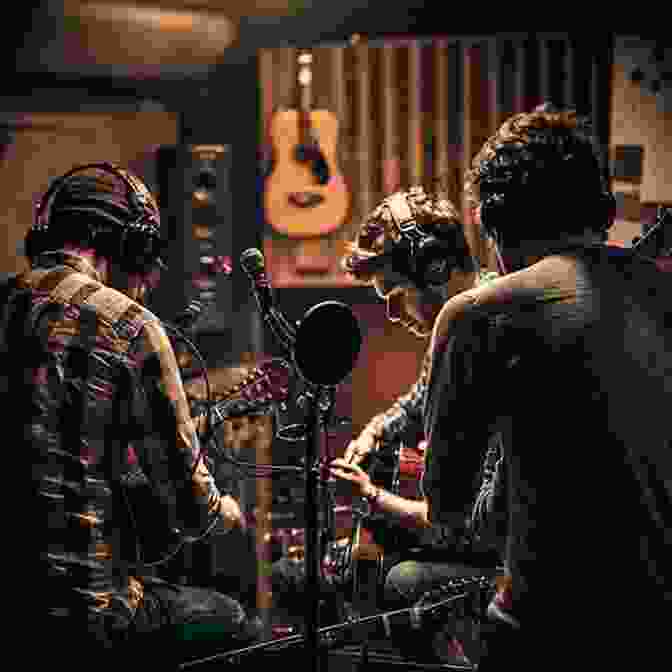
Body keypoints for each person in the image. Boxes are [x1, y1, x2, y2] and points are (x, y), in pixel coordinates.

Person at [422, 107, 672, 670]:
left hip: (546, 632)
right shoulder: (661, 293)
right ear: (603, 210)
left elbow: (447, 509)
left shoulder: (475, 316)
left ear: (491, 220)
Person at [1, 163, 261, 669]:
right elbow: (191, 512)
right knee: (236, 621)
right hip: (82, 612)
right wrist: (227, 511)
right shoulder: (129, 323)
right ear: (130, 247)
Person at [271, 186, 502, 665]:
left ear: (436, 269)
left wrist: (374, 498)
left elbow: (472, 529)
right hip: (478, 535)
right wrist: (374, 430)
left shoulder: (485, 331)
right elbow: (415, 402)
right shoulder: (457, 322)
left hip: (509, 564)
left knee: (390, 579)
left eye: (396, 294)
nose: (392, 314)